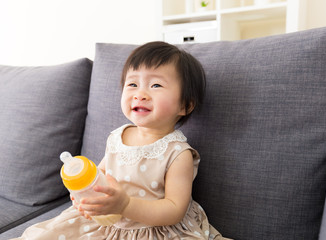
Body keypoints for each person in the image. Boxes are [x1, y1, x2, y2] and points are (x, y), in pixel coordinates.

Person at [13, 41, 223, 240]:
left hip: (150, 230)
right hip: (107, 223)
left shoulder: (178, 153)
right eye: (132, 84)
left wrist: (126, 205)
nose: (140, 94)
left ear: (185, 106)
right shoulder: (117, 137)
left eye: (156, 85)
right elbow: (101, 175)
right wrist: (87, 197)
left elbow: (174, 210)